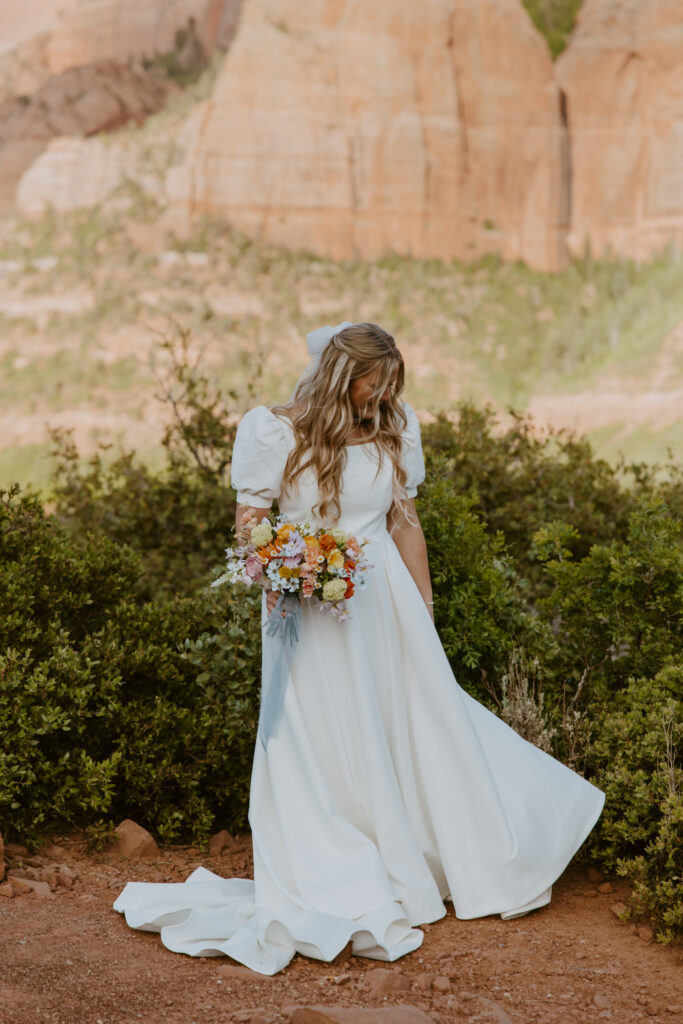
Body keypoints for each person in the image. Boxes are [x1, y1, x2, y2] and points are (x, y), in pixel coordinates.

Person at [113, 321, 605, 975]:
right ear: (344, 374)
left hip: (386, 607)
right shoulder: (275, 431)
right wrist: (289, 567)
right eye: (375, 381)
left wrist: (424, 614)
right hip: (307, 610)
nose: (382, 394)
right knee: (320, 730)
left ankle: (448, 850)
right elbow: (249, 523)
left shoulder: (395, 426)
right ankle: (342, 861)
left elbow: (404, 524)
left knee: (416, 723)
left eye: (390, 383)